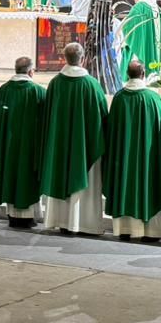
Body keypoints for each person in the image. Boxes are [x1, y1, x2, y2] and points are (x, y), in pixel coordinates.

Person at [40, 42, 108, 235]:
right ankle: (85, 224)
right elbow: (102, 115)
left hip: (59, 146)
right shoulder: (92, 85)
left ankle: (61, 221)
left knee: (61, 172)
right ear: (83, 58)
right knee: (85, 179)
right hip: (85, 148)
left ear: (64, 58)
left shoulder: (55, 83)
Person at [103, 58, 161, 240]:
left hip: (122, 160)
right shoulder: (153, 99)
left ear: (127, 74)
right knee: (147, 185)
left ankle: (125, 229)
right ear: (144, 74)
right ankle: (151, 232)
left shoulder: (118, 98)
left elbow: (111, 133)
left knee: (125, 183)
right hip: (147, 161)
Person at [0, 56, 45, 229]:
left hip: (8, 146)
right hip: (30, 147)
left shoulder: (3, 91)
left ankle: (12, 215)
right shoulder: (39, 91)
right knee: (26, 177)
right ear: (30, 71)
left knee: (11, 175)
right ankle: (27, 217)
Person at [121, 0, 160, 74]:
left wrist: (122, 27)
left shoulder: (139, 7)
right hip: (151, 42)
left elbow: (129, 25)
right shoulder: (154, 6)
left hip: (141, 43)